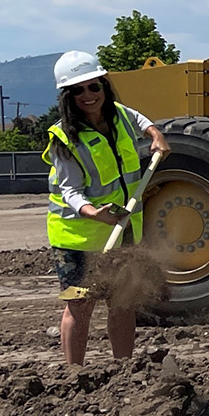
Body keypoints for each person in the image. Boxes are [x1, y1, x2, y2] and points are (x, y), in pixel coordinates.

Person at [43, 50, 167, 365]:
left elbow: (140, 119)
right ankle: (75, 373)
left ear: (103, 86)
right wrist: (92, 213)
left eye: (93, 86)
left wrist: (155, 135)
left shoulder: (120, 115)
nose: (88, 95)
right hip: (78, 240)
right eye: (78, 90)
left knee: (122, 304)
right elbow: (70, 190)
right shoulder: (65, 139)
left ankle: (122, 370)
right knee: (80, 307)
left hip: (121, 230)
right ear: (67, 97)